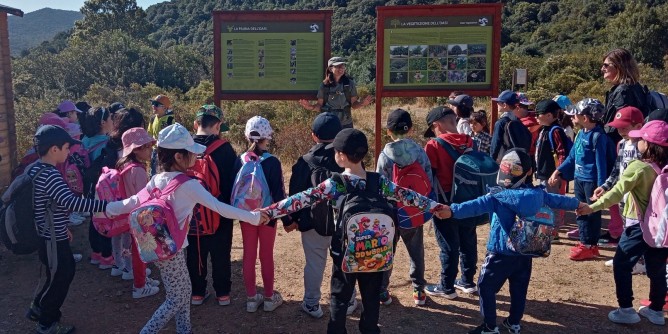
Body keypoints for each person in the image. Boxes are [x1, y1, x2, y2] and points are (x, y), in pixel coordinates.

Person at [260, 128, 449, 334]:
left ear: (340, 156)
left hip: (345, 254)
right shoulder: (378, 182)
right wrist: (437, 207)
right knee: (371, 301)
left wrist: (269, 212)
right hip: (376, 254)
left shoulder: (336, 184)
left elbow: (300, 199)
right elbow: (408, 196)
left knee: (339, 300)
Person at [106, 123, 268, 334]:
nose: (195, 157)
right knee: (176, 298)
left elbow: (133, 202)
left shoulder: (156, 179)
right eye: (191, 153)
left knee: (184, 291)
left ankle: (185, 329)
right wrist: (253, 217)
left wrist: (108, 209)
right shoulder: (188, 185)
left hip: (164, 247)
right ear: (178, 158)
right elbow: (220, 208)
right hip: (171, 250)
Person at [442, 149, 583, 334]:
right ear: (529, 172)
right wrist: (579, 204)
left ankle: (490, 326)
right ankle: (514, 323)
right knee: (519, 289)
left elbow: (473, 207)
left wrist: (451, 210)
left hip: (500, 252)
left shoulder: (497, 196)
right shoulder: (538, 194)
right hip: (526, 251)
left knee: (485, 287)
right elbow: (558, 200)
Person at [578, 120, 668, 326]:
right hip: (662, 227)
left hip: (638, 225)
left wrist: (592, 207)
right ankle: (655, 310)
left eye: (641, 138)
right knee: (657, 269)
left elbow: (618, 193)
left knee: (622, 264)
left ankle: (626, 309)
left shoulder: (639, 167)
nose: (636, 141)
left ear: (649, 144)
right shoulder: (664, 166)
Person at [25, 125, 109, 334]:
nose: (69, 151)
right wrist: (106, 206)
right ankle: (47, 323)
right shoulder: (51, 175)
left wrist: (62, 225)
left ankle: (38, 308)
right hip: (52, 238)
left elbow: (48, 204)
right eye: (66, 147)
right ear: (54, 149)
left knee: (56, 274)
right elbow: (74, 203)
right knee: (62, 275)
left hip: (47, 233)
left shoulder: (35, 168)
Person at [286, 112, 346, 318]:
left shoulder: (305, 161)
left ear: (313, 135)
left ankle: (312, 303)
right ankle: (347, 302)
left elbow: (294, 195)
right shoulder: (347, 158)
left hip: (312, 223)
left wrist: (290, 220)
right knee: (344, 262)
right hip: (343, 224)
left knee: (314, 263)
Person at [375, 108, 433, 306]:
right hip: (413, 210)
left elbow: (380, 186)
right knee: (416, 250)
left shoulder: (385, 155)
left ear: (388, 131)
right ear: (410, 129)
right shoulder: (419, 152)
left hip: (391, 211)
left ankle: (382, 290)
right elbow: (428, 181)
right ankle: (419, 290)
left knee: (387, 250)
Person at [234, 116, 289, 313]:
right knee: (266, 255)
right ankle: (268, 298)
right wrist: (285, 218)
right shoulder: (272, 162)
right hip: (267, 215)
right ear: (268, 136)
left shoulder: (240, 160)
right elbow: (279, 193)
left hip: (246, 215)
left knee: (248, 254)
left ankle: (251, 298)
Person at [422, 106, 479, 298]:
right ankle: (468, 281)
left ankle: (446, 286)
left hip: (444, 201)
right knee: (468, 241)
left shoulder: (434, 145)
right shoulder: (470, 141)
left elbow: (430, 175)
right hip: (470, 200)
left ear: (436, 125)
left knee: (448, 245)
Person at [187, 105, 238, 307]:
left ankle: (197, 293)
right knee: (221, 254)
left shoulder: (185, 148)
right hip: (221, 211)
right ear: (217, 125)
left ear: (195, 124)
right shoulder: (225, 150)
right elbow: (233, 183)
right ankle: (223, 294)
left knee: (194, 252)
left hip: (192, 213)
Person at [549, 98, 613, 260]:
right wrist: (558, 171)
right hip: (579, 179)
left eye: (575, 114)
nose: (572, 116)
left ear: (585, 117)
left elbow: (601, 164)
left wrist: (601, 187)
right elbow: (572, 157)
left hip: (592, 182)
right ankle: (585, 242)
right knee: (580, 211)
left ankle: (591, 245)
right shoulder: (580, 134)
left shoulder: (598, 137)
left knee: (592, 213)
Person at [114, 127, 161, 299]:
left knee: (136, 250)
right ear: (137, 149)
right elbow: (144, 197)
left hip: (129, 215)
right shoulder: (138, 170)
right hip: (140, 218)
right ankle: (139, 286)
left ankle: (142, 280)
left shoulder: (124, 165)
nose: (151, 150)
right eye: (148, 146)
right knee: (141, 253)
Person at [594, 107, 645, 250]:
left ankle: (639, 260)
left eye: (624, 127)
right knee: (626, 225)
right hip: (623, 195)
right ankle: (628, 255)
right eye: (618, 127)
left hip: (638, 196)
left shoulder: (644, 146)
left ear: (638, 126)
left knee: (638, 228)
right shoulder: (622, 144)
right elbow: (617, 169)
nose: (620, 131)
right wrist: (605, 186)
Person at [80, 106, 114, 268]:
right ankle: (107, 257)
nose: (112, 121)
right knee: (105, 220)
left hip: (88, 186)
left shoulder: (84, 140)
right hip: (102, 187)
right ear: (103, 122)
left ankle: (96, 253)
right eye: (110, 118)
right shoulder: (105, 143)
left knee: (94, 218)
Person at [299, 57, 373, 128]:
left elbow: (354, 105)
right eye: (338, 66)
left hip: (346, 124)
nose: (341, 68)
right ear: (331, 69)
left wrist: (362, 103)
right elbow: (320, 106)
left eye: (343, 66)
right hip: (329, 123)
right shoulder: (324, 86)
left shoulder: (349, 84)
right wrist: (311, 107)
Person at [534, 100, 571, 237]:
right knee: (546, 201)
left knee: (553, 201)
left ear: (549, 115)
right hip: (544, 173)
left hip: (552, 174)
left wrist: (558, 173)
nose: (536, 117)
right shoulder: (545, 129)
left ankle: (553, 231)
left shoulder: (556, 131)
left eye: (539, 114)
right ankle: (548, 228)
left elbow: (562, 153)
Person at [601, 48, 649, 144]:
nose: (602, 69)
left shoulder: (623, 91)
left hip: (621, 144)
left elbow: (623, 123)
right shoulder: (636, 86)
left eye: (606, 65)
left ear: (619, 66)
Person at [490, 90, 532, 163]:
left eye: (498, 102)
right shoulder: (518, 120)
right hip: (519, 159)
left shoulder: (501, 122)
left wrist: (491, 161)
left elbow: (495, 145)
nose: (497, 104)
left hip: (505, 161)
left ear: (505, 105)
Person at [147, 94, 175, 174]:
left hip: (166, 152)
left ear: (165, 107)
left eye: (156, 104)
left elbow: (171, 137)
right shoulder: (153, 119)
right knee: (153, 173)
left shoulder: (170, 120)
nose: (153, 106)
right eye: (152, 104)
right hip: (154, 151)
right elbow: (149, 134)